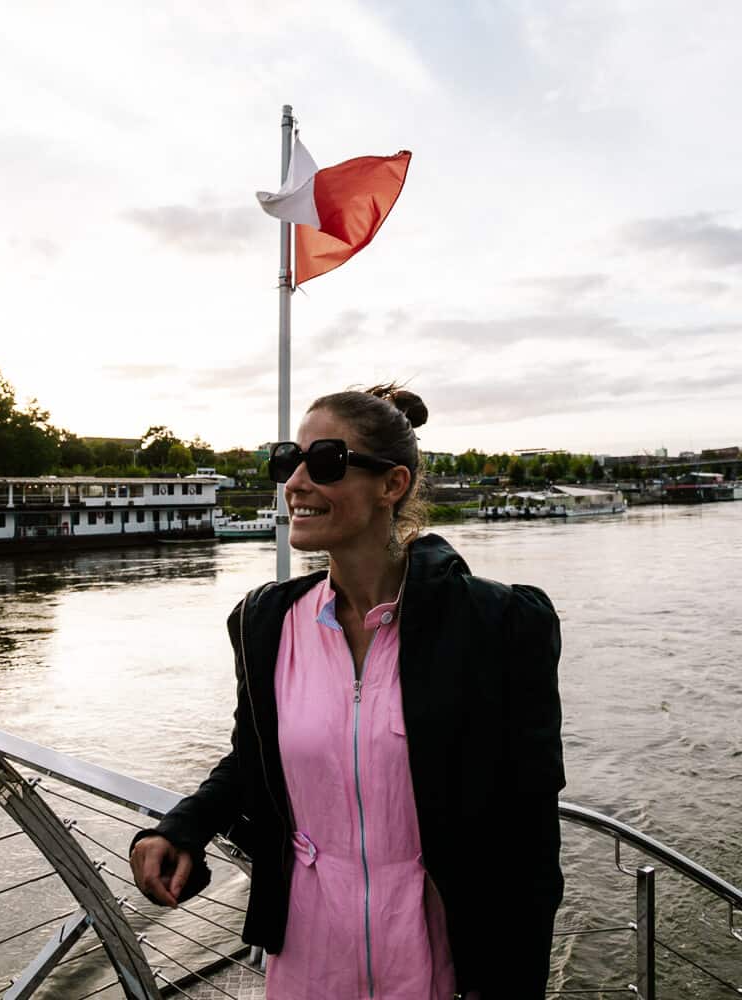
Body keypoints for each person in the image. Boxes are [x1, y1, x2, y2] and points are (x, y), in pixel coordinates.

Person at [130, 385, 565, 1000]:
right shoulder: (265, 623)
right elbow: (254, 760)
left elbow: (530, 836)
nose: (296, 483)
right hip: (310, 952)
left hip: (439, 956)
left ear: (392, 484)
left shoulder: (500, 624)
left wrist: (512, 983)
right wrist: (180, 828)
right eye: (289, 461)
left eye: (326, 462)